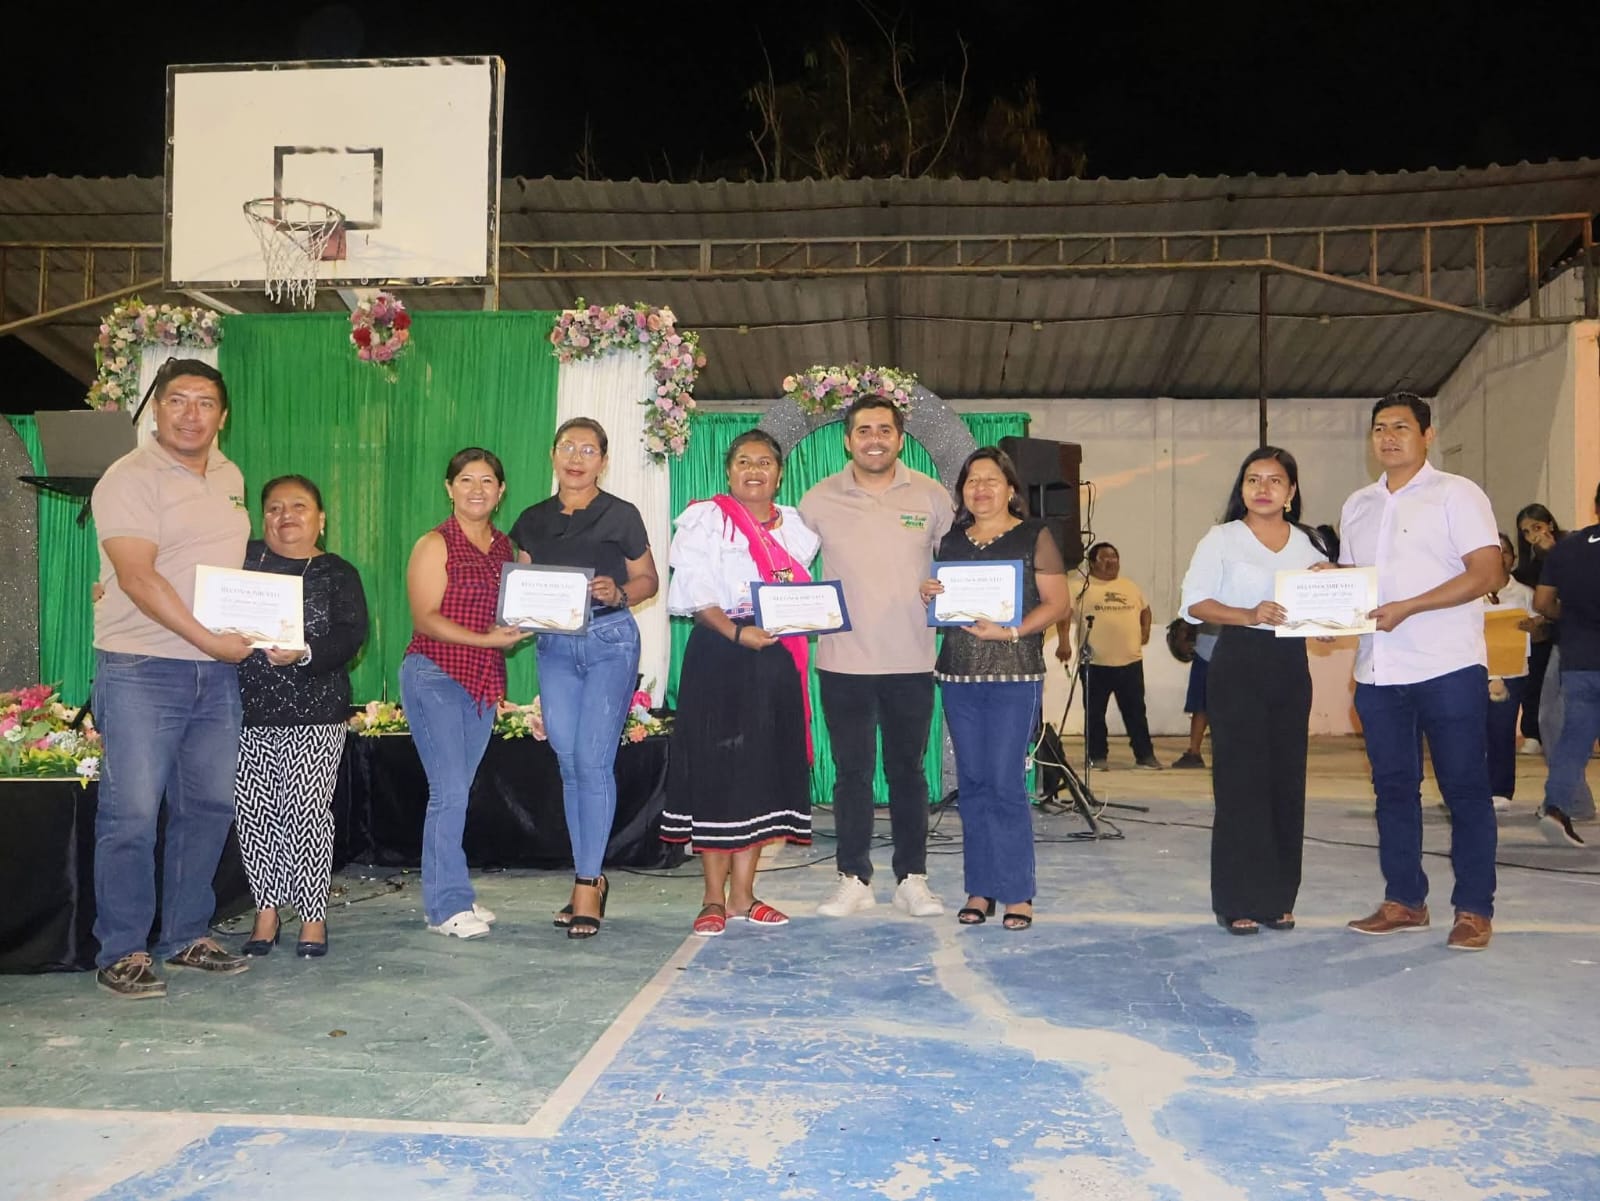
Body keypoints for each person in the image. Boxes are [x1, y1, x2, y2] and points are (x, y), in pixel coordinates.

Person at [88, 358, 254, 998]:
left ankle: (187, 935)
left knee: (207, 807)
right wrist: (209, 640)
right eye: (177, 400)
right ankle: (124, 950)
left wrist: (259, 632)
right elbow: (137, 577)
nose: (190, 414)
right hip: (142, 666)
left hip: (214, 674)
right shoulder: (128, 478)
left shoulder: (230, 475)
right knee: (130, 814)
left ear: (223, 416)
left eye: (204, 402)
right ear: (155, 410)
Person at [1338, 393, 1504, 951]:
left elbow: (1486, 572)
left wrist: (1410, 606)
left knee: (1464, 789)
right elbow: (1353, 583)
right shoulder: (1358, 505)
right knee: (1392, 790)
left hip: (1446, 665)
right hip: (1378, 671)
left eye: (1401, 427)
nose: (1388, 437)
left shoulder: (1457, 494)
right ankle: (1405, 900)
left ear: (1428, 435)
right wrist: (1326, 597)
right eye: (1379, 429)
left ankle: (1474, 909)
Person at [799, 395, 954, 918]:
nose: (874, 439)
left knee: (908, 772)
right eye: (863, 430)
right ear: (848, 440)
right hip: (842, 662)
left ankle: (912, 878)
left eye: (884, 430)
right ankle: (853, 877)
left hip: (912, 661)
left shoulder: (931, 496)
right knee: (852, 774)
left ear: (900, 439)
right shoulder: (818, 499)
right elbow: (786, 567)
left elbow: (958, 565)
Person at [663, 429, 818, 935]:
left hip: (775, 655)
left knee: (759, 771)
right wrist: (735, 632)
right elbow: (696, 593)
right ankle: (713, 897)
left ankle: (744, 896)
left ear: (779, 473)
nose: (755, 470)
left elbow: (800, 594)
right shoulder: (706, 520)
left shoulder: (795, 527)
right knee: (717, 772)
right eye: (744, 462)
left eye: (765, 462)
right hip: (719, 652)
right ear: (729, 471)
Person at [512, 418, 659, 940]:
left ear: (604, 460)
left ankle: (585, 884)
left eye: (589, 450)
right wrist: (516, 617)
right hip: (554, 647)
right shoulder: (531, 519)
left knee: (593, 762)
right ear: (553, 454)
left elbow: (648, 579)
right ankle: (589, 876)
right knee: (569, 762)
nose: (577, 458)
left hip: (608, 641)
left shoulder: (621, 514)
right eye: (568, 447)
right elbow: (523, 585)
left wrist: (620, 592)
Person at [1180, 446, 1331, 934]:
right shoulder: (1222, 538)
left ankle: (1278, 897)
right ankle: (1237, 899)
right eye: (1253, 479)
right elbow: (1194, 603)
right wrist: (1247, 614)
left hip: (1290, 665)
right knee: (1240, 782)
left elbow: (1325, 607)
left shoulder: (1310, 545)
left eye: (1274, 480)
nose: (1263, 488)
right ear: (1241, 488)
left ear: (1291, 491)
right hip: (1239, 660)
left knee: (1287, 781)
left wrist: (1330, 621)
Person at [920, 447, 1070, 930]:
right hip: (959, 675)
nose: (980, 488)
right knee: (973, 784)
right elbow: (945, 603)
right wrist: (930, 594)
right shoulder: (951, 541)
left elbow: (1058, 604)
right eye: (971, 481)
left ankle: (1018, 892)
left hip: (1015, 675)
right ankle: (980, 888)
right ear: (962, 492)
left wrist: (1010, 632)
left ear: (1010, 489)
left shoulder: (1034, 536)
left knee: (1005, 783)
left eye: (990, 480)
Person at [234, 475, 369, 959]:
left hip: (316, 710)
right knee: (255, 814)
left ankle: (312, 915)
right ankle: (266, 912)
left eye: (298, 507)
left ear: (320, 519)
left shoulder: (337, 571)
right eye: (274, 508)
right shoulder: (240, 564)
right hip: (244, 710)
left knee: (307, 813)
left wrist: (305, 652)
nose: (285, 516)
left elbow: (352, 634)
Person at [401, 448, 530, 940]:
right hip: (434, 674)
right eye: (466, 480)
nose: (477, 490)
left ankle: (452, 889)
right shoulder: (435, 544)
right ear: (449, 488)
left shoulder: (506, 548)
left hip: (481, 682)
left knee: (458, 790)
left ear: (501, 490)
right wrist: (487, 640)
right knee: (449, 791)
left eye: (487, 481)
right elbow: (425, 619)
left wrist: (524, 625)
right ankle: (445, 907)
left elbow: (513, 611)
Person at [1533, 482, 1600, 848]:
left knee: (1573, 739)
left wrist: (1571, 618)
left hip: (1579, 661)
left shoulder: (1567, 547)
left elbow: (1542, 603)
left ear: (1596, 506)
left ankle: (1557, 807)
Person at [1057, 542, 1161, 770]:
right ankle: (1097, 756)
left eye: (1115, 557)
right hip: (1095, 663)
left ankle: (1145, 756)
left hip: (1130, 661)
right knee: (1095, 714)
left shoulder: (1129, 586)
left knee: (1136, 712)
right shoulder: (1078, 587)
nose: (1111, 562)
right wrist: (1064, 642)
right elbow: (1063, 615)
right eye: (1105, 558)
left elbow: (1145, 609)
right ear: (1092, 563)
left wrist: (1145, 630)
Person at [1480, 534, 1534, 815]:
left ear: (1513, 558)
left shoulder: (1524, 593)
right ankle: (1472, 789)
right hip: (1475, 670)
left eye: (1505, 551)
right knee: (1470, 732)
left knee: (1501, 730)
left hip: (1512, 671)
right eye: (1494, 550)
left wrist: (1534, 627)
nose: (1500, 557)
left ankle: (1501, 789)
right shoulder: (1469, 592)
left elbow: (1541, 630)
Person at [1513, 503, 1563, 753]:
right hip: (1541, 635)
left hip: (1573, 628)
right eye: (1526, 532)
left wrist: (1554, 553)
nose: (1533, 536)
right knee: (1535, 680)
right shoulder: (1527, 570)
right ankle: (1533, 732)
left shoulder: (1569, 551)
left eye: (1537, 527)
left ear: (1550, 525)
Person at [1172, 621, 1216, 770]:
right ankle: (1194, 752)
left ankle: (1195, 752)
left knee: (1201, 705)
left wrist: (1186, 627)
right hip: (1211, 650)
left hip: (1209, 652)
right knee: (1201, 705)